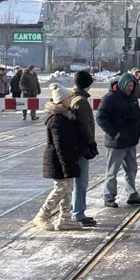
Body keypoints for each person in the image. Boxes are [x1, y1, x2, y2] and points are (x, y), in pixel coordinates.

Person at [33, 83, 88, 232]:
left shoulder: (66, 115)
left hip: (68, 158)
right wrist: (66, 165)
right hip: (59, 160)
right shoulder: (57, 119)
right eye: (69, 97)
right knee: (61, 188)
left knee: (68, 188)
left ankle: (65, 219)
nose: (71, 99)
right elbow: (59, 146)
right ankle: (42, 216)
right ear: (62, 100)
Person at [96, 72, 140, 208]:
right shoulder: (109, 98)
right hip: (117, 142)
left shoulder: (132, 98)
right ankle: (109, 196)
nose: (130, 88)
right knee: (112, 171)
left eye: (132, 86)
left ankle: (132, 194)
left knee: (131, 169)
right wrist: (114, 133)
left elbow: (138, 115)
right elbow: (101, 117)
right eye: (128, 85)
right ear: (121, 84)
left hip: (130, 140)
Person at [70, 70, 99, 226]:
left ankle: (75, 211)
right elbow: (83, 126)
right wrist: (91, 143)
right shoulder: (81, 101)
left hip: (76, 145)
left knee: (76, 182)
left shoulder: (73, 97)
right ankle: (78, 214)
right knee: (81, 182)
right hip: (81, 147)